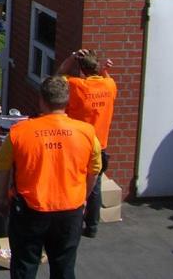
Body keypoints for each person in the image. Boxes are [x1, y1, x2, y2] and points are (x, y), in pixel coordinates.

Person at [0, 76, 102, 279]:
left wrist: (1, 198)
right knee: (64, 267)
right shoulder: (87, 133)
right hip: (70, 211)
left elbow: (2, 168)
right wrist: (84, 199)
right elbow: (93, 171)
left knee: (24, 266)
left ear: (41, 100)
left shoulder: (19, 132)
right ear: (67, 101)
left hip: (30, 210)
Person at [59, 49, 117, 239]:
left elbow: (58, 77)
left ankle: (69, 223)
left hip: (77, 144)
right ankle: (92, 226)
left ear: (82, 69)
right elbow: (104, 80)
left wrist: (71, 57)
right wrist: (104, 71)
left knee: (71, 182)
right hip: (100, 145)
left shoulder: (76, 85)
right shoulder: (109, 85)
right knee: (94, 187)